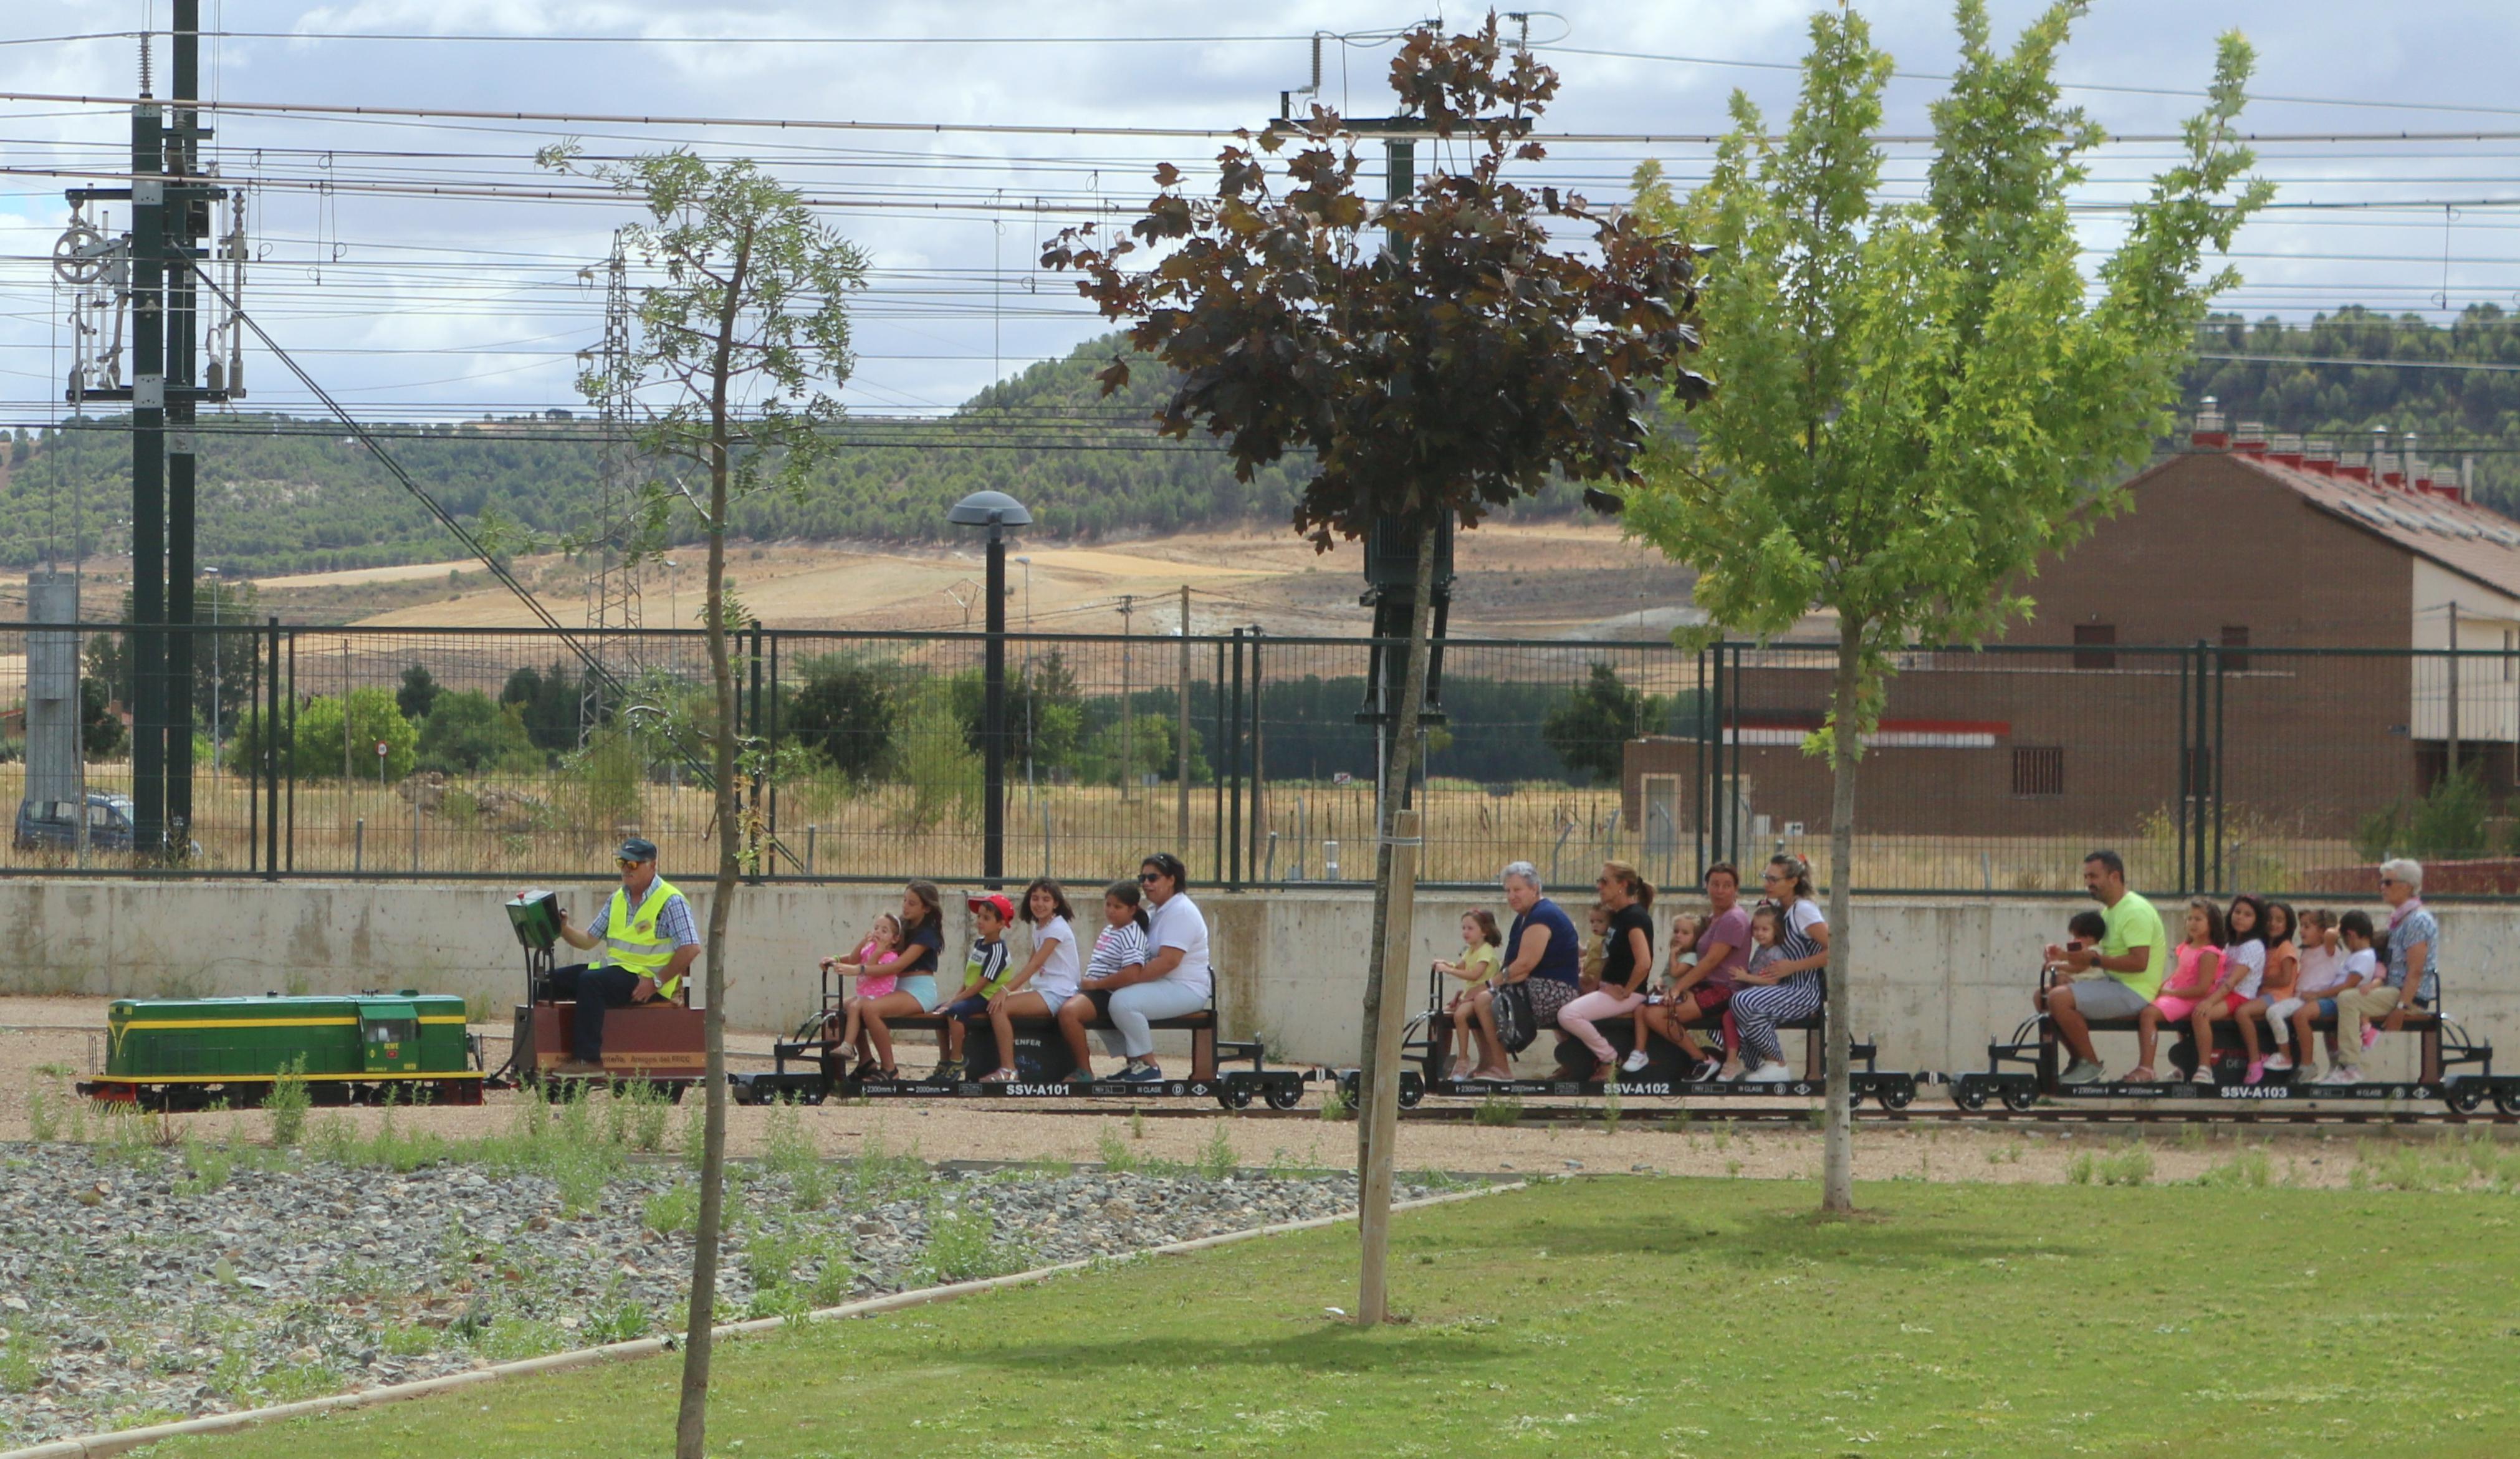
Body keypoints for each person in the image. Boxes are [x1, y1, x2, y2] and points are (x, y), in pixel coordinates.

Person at [541, 837, 702, 1075]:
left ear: (653, 866)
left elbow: (690, 948)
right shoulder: (618, 898)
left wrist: (657, 982)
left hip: (645, 980)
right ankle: (548, 1056)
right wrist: (563, 928)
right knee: (549, 981)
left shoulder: (671, 901)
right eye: (622, 862)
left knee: (591, 982)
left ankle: (589, 1060)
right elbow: (587, 940)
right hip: (617, 973)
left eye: (634, 864)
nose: (627, 869)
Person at [1072, 853, 1210, 1083]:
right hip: (1162, 985)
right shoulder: (1156, 911)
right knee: (1103, 999)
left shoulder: (1182, 911)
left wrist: (1124, 980)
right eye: (1143, 877)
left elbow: (1169, 961)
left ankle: (1149, 1067)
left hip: (1186, 989)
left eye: (1153, 877)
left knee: (1123, 1001)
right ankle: (1134, 1063)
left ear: (1171, 880)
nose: (1146, 883)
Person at [2043, 849, 2172, 1085]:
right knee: (2044, 995)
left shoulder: (2135, 911)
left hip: (2135, 992)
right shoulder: (2109, 912)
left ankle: (2091, 1065)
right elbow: (2088, 959)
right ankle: (2080, 1061)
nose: (2088, 883)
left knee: (2058, 999)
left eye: (2094, 877)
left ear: (2115, 877)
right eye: (2086, 878)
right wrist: (2059, 957)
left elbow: (2138, 963)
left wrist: (2093, 961)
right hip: (2115, 984)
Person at [1458, 861, 1583, 1082]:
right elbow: (1509, 965)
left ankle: (1501, 1068)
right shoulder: (1524, 918)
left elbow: (1524, 966)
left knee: (1484, 1000)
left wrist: (1486, 987)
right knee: (1472, 1001)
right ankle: (1486, 1063)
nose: (1511, 896)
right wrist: (1475, 988)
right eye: (1508, 891)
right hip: (1531, 986)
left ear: (1534, 889)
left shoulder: (1543, 915)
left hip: (1553, 990)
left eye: (1517, 890)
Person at [2319, 859, 2438, 1085]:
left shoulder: (2417, 921)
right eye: (2382, 882)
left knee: (2348, 999)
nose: (2382, 887)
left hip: (2406, 995)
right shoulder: (2401, 919)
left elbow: (2415, 971)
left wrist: (2402, 1008)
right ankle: (2343, 1064)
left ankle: (2350, 1067)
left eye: (2388, 882)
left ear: (2407, 886)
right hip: (2393, 990)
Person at [1636, 863, 1749, 1081]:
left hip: (1723, 990)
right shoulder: (1715, 917)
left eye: (1727, 885)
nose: (1720, 890)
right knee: (1646, 1008)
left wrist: (1677, 989)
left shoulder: (1733, 919)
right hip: (1703, 986)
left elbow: (1711, 960)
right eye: (1715, 884)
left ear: (1736, 889)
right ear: (1706, 886)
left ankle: (1704, 1059)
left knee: (1655, 1014)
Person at [1729, 855, 1832, 1083]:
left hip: (1803, 990)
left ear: (1793, 881)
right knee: (1737, 1005)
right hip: (1780, 987)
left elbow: (1836, 949)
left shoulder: (1803, 910)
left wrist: (1794, 966)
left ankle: (1777, 1062)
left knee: (1745, 1002)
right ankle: (1757, 1065)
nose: (1767, 884)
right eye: (1766, 878)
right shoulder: (1776, 909)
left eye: (1774, 880)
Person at [1557, 861, 1657, 1082]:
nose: (1599, 887)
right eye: (1599, 881)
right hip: (1609, 989)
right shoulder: (1619, 915)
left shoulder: (1635, 917)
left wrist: (1627, 991)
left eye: (1604, 881)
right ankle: (1571, 1061)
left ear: (1623, 885)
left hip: (1627, 994)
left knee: (1568, 1015)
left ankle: (1609, 1059)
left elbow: (1644, 962)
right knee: (1557, 1007)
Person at [976, 879, 1081, 1084]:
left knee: (999, 1007)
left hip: (1059, 993)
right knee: (995, 1003)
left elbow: (1034, 965)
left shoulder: (1057, 928)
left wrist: (1005, 990)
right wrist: (1022, 989)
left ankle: (1009, 1070)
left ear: (1056, 903)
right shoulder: (1040, 926)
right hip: (1044, 989)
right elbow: (1033, 963)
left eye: (1046, 899)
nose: (1039, 904)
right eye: (1035, 898)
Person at [1058, 880, 1151, 1083]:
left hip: (1108, 993)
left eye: (1117, 907)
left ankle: (1084, 1070)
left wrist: (1096, 985)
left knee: (1069, 1013)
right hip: (1093, 990)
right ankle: (1132, 1063)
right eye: (1108, 905)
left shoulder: (1132, 934)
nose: (1111, 911)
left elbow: (1132, 973)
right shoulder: (1110, 930)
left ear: (1132, 909)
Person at [858, 881, 948, 1081]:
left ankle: (890, 1069)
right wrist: (838, 960)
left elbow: (898, 966)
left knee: (871, 1009)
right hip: (896, 987)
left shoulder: (927, 934)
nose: (905, 906)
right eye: (905, 900)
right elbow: (871, 951)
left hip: (918, 991)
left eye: (912, 903)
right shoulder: (900, 926)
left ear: (926, 908)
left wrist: (860, 969)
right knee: (849, 1007)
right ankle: (866, 1062)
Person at [2130, 897, 2225, 1083]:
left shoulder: (2208, 953)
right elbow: (2179, 975)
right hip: (2178, 996)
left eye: (2198, 919)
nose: (2192, 923)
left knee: (2149, 1014)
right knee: (2147, 1008)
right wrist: (2162, 987)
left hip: (2192, 999)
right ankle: (2185, 1066)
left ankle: (2150, 1067)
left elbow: (2203, 989)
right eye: (2190, 919)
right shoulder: (2187, 947)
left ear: (2211, 923)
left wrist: (2171, 994)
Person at [931, 893, 1016, 1080]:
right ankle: (945, 1059)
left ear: (1001, 924)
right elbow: (969, 979)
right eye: (979, 916)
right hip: (972, 994)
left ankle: (957, 1059)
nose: (980, 921)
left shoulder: (997, 950)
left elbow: (981, 985)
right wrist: (955, 997)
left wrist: (954, 1002)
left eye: (986, 918)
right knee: (939, 1012)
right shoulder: (979, 944)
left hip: (987, 997)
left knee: (954, 1013)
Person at [2186, 894, 2267, 1081]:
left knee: (2201, 1014)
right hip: (2221, 993)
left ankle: (2205, 1068)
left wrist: (2209, 1003)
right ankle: (2187, 1063)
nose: (2240, 917)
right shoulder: (2230, 944)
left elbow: (2232, 982)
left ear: (2257, 921)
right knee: (2185, 1008)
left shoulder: (2254, 946)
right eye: (2237, 912)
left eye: (2248, 915)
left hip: (2239, 995)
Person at [2294, 910, 2378, 1083]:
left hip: (2337, 1001)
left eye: (2345, 939)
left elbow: (2348, 985)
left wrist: (2317, 995)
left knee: (2301, 1015)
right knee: (2327, 1031)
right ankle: (2335, 1066)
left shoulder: (2364, 957)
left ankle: (2307, 1063)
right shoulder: (2357, 956)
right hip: (2334, 1000)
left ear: (2350, 935)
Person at [822, 911, 905, 1079]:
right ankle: (862, 1058)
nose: (878, 933)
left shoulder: (890, 956)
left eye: (884, 931)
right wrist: (862, 943)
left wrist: (878, 951)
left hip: (878, 997)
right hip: (864, 994)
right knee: (838, 1008)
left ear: (895, 939)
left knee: (855, 1006)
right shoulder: (871, 948)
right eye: (876, 928)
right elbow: (854, 958)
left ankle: (848, 1045)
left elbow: (871, 971)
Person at [2264, 908, 2342, 1078]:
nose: (2302, 931)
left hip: (2324, 999)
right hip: (2302, 998)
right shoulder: (2306, 951)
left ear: (2322, 931)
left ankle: (2307, 1064)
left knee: (2300, 1016)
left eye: (2307, 926)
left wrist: (2334, 927)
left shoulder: (2329, 949)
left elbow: (2331, 936)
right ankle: (2285, 1054)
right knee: (2273, 1012)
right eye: (2301, 926)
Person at [1622, 911, 1700, 1075]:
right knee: (1639, 1009)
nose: (1679, 936)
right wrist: (1659, 982)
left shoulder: (1692, 957)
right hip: (1663, 993)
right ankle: (1640, 1051)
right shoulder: (1679, 955)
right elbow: (1666, 975)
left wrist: (1672, 956)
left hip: (1677, 998)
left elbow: (1676, 972)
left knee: (1646, 1011)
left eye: (1685, 933)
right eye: (1676, 931)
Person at [1433, 910, 1505, 1079]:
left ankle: (1463, 1058)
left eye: (1470, 928)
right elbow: (1460, 967)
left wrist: (1448, 970)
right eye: (1463, 928)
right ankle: (1441, 1059)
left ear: (1485, 931)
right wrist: (1446, 964)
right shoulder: (1472, 950)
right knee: (1441, 1015)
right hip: (1470, 994)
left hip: (1482, 994)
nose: (1465, 932)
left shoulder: (1486, 951)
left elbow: (1475, 975)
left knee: (1460, 1015)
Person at [2233, 901, 2297, 1084]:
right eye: (2269, 919)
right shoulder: (2264, 947)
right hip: (2263, 995)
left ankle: (2255, 1060)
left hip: (2278, 996)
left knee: (2243, 1012)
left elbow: (2285, 980)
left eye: (2279, 920)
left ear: (2288, 925)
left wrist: (2259, 980)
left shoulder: (2285, 947)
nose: (2273, 923)